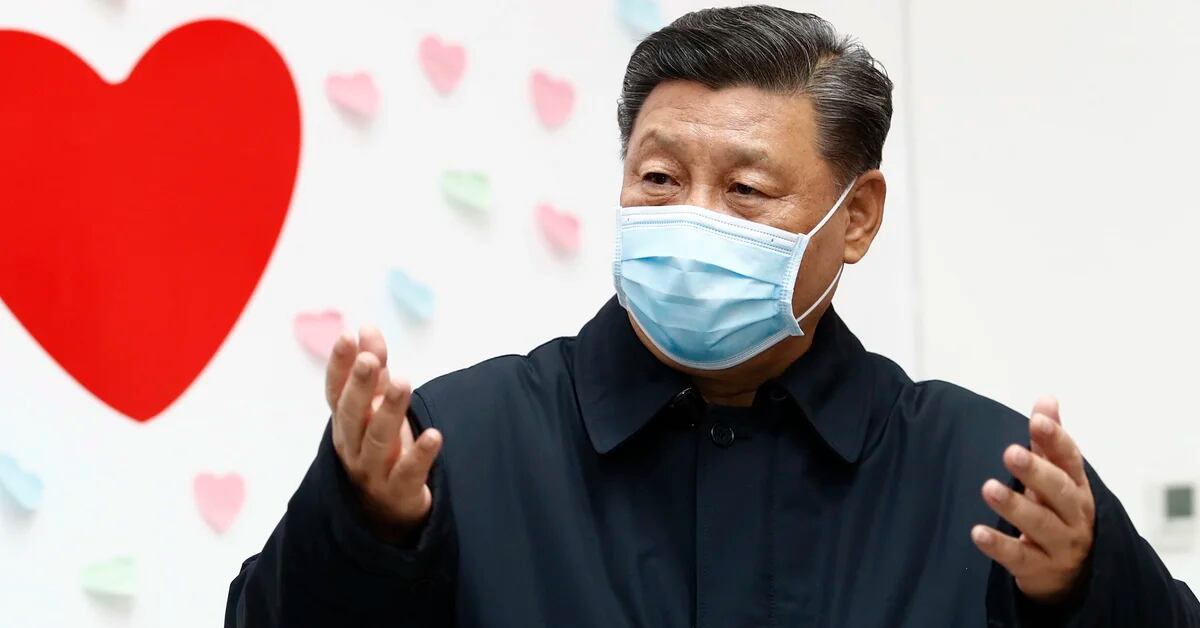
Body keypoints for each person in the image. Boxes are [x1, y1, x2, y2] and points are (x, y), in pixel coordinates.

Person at [225, 6, 1199, 627]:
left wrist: (1082, 587)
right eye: (659, 178)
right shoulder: (460, 444)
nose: (692, 218)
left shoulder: (986, 477)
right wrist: (365, 532)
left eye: (745, 189)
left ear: (857, 217)